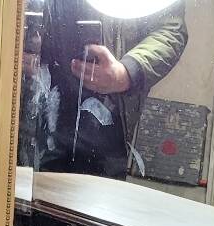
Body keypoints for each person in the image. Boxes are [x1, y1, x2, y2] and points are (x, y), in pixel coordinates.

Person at [20, 2, 187, 181]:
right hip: (26, 107)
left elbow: (171, 28)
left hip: (104, 119)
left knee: (96, 200)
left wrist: (127, 72)